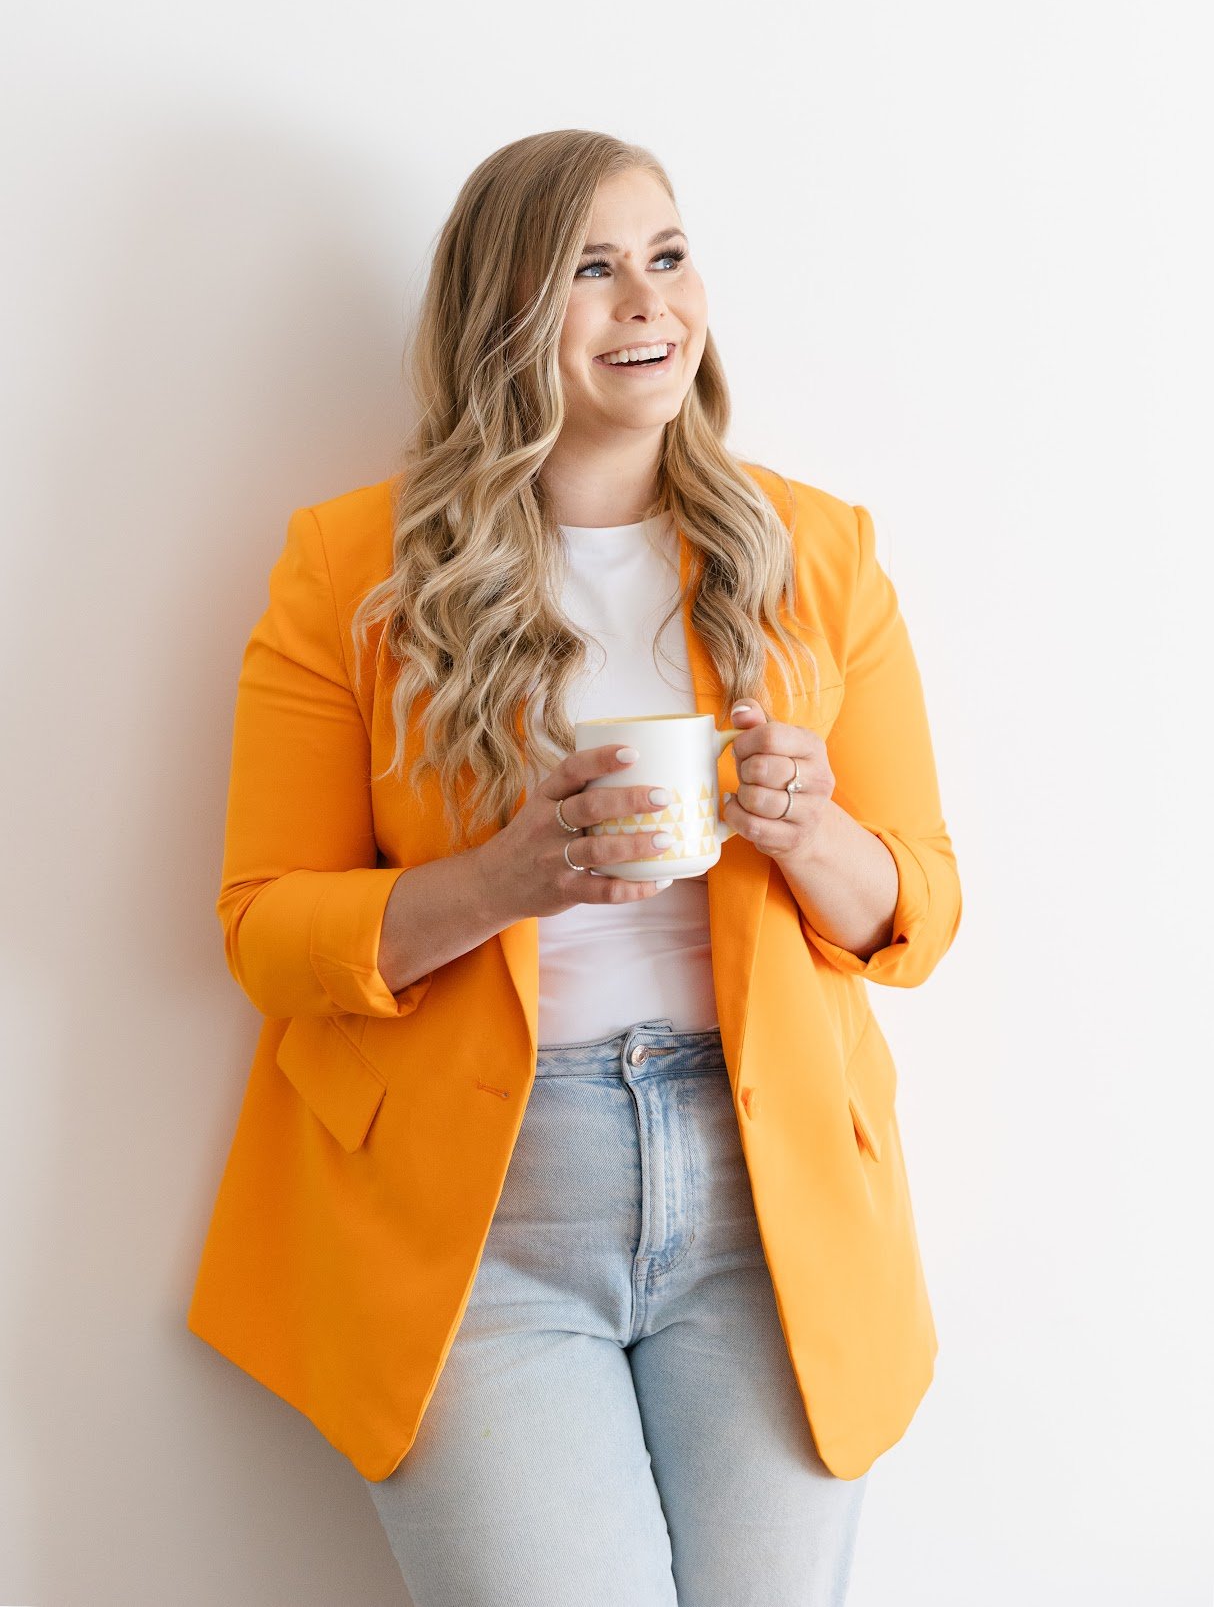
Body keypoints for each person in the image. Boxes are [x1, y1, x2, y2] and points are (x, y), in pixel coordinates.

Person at [187, 130, 962, 1606]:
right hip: (478, 1212)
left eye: (666, 256)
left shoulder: (815, 551)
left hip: (770, 1193)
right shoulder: (350, 568)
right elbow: (264, 931)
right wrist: (504, 880)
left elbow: (917, 911)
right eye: (591, 270)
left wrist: (811, 830)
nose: (647, 301)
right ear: (504, 312)